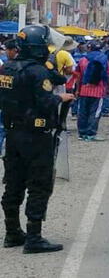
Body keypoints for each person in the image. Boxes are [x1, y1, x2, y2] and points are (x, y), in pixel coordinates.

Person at [0, 25, 75, 253]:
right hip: (36, 136)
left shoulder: (7, 68)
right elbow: (46, 102)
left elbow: (57, 75)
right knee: (39, 185)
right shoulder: (37, 72)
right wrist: (61, 96)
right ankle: (34, 237)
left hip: (13, 135)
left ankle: (12, 232)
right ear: (37, 47)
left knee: (13, 183)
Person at [76, 41, 109, 141]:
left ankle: (82, 133)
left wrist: (77, 90)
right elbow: (108, 76)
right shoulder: (104, 60)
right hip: (98, 91)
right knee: (94, 113)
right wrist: (108, 89)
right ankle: (91, 134)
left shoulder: (82, 60)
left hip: (84, 90)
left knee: (82, 112)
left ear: (89, 49)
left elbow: (78, 76)